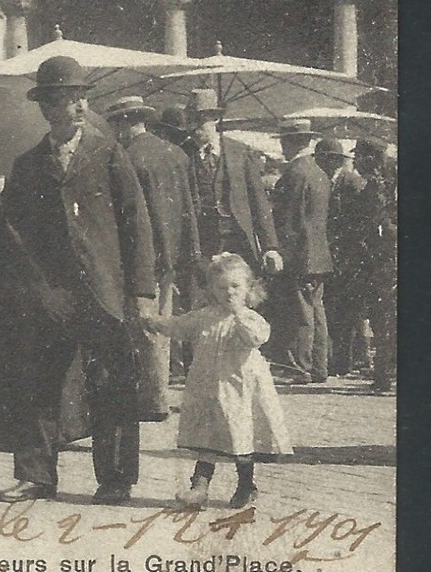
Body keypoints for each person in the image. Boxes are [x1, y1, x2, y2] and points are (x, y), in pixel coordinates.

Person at [0, 56, 158, 506]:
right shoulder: (27, 165)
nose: (80, 106)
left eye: (82, 97)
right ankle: (36, 475)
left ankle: (116, 478)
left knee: (113, 383)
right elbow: (14, 232)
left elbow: (136, 223)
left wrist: (141, 292)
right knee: (40, 383)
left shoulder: (109, 154)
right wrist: (38, 289)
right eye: (68, 99)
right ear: (48, 108)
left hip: (105, 292)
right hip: (51, 295)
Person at [147, 253, 293, 509]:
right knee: (206, 437)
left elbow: (256, 337)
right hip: (208, 388)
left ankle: (246, 485)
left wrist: (238, 314)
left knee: (240, 438)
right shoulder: (205, 316)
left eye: (236, 287)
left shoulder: (249, 318)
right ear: (212, 290)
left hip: (239, 390)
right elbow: (180, 326)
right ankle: (199, 488)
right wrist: (156, 323)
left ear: (249, 288)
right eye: (222, 287)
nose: (229, 293)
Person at [107, 95, 199, 403]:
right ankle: (159, 390)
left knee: (143, 323)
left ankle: (152, 395)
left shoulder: (126, 157)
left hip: (141, 252)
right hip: (173, 251)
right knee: (164, 319)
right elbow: (190, 206)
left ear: (123, 124)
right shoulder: (177, 155)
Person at [185, 88, 282, 281]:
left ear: (214, 119)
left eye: (200, 120)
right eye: (190, 120)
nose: (193, 127)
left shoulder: (240, 152)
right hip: (204, 243)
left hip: (238, 238)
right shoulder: (184, 155)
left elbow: (259, 202)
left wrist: (270, 247)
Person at [267, 119, 333, 384]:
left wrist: (280, 252)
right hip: (319, 254)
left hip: (300, 255)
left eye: (284, 142)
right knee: (317, 311)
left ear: (292, 142)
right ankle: (319, 366)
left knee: (301, 312)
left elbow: (289, 220)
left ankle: (301, 367)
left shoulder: (295, 173)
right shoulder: (319, 172)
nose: (282, 147)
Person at [314, 137, 367, 377]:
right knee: (339, 309)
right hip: (334, 255)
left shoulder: (352, 184)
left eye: (332, 160)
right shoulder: (326, 181)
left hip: (349, 256)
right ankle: (351, 359)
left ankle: (347, 361)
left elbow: (357, 224)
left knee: (346, 310)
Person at [352, 139, 397, 394]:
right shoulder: (384, 183)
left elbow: (378, 224)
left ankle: (383, 373)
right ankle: (385, 370)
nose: (356, 161)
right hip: (382, 258)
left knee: (383, 316)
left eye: (359, 156)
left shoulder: (378, 187)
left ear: (371, 159)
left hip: (384, 260)